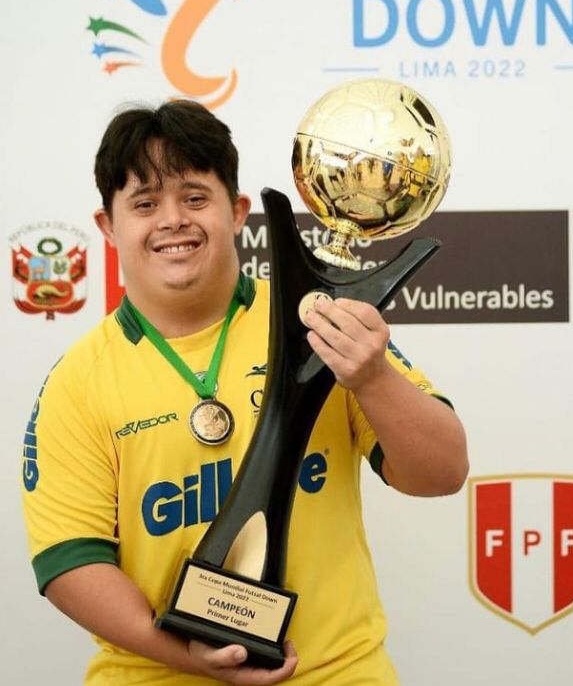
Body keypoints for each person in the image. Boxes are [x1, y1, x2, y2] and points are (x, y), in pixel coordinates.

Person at [21, 100, 469, 685]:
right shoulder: (77, 383)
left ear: (236, 212)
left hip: (335, 675)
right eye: (145, 204)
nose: (173, 220)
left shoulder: (325, 325)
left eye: (195, 197)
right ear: (108, 227)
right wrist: (188, 655)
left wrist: (372, 376)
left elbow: (442, 473)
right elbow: (69, 562)